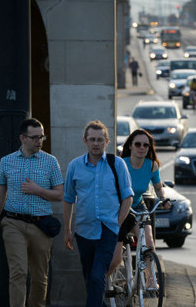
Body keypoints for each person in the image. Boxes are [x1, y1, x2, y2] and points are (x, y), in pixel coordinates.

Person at [0, 118, 64, 307]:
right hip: (13, 223)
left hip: (41, 224)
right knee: (18, 272)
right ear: (22, 138)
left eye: (42, 137)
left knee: (39, 277)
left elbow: (60, 194)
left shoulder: (50, 162)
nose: (39, 141)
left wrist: (39, 190)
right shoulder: (7, 161)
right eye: (34, 137)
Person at [63, 120, 133, 307]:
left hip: (108, 229)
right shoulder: (75, 166)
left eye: (100, 140)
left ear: (107, 141)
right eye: (92, 139)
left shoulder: (117, 164)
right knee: (90, 278)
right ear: (84, 141)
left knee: (96, 276)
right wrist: (68, 230)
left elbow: (128, 197)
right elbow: (68, 198)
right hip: (84, 231)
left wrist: (117, 225)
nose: (96, 143)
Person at [109, 129, 171, 285]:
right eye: (137, 144)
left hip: (138, 204)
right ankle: (116, 270)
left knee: (148, 242)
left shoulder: (152, 166)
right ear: (130, 146)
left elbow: (158, 187)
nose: (141, 148)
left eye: (146, 145)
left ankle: (150, 279)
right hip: (120, 206)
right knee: (118, 248)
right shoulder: (121, 164)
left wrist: (163, 199)